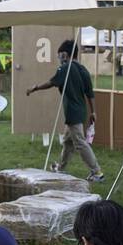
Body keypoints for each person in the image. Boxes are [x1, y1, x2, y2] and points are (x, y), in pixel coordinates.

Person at [25, 39, 104, 183]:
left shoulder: (65, 68)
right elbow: (90, 94)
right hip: (80, 111)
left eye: (60, 54)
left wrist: (35, 88)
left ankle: (96, 172)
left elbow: (51, 83)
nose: (59, 57)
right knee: (68, 142)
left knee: (80, 142)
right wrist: (94, 112)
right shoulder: (83, 69)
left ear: (65, 54)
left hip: (73, 112)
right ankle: (61, 168)